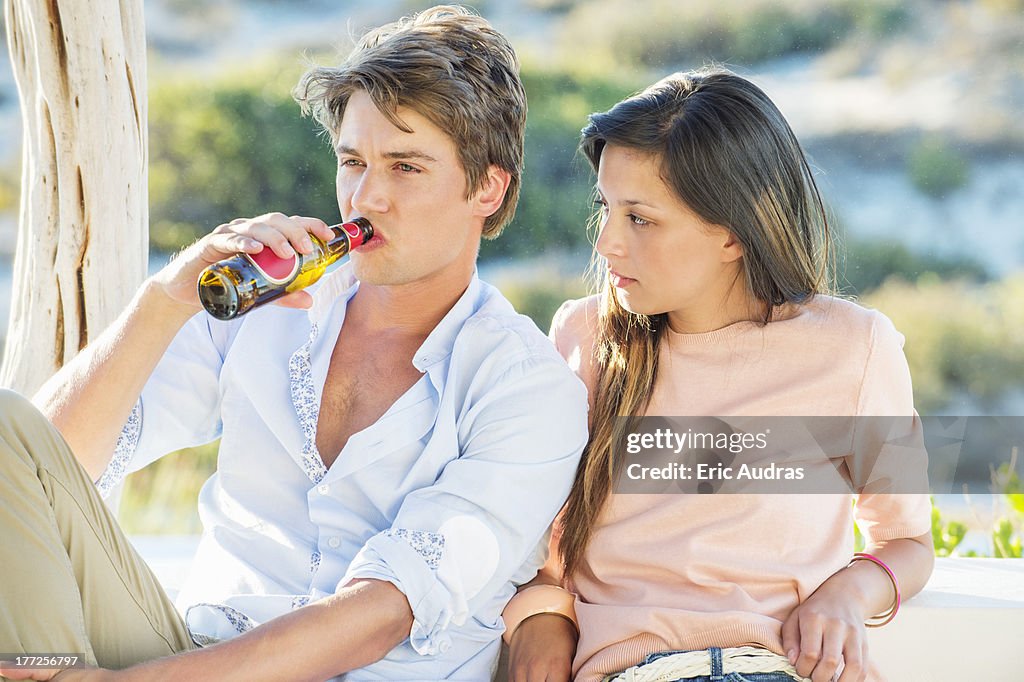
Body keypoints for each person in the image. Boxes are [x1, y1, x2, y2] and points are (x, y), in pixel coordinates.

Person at [0, 5, 588, 681]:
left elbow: (385, 611)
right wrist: (164, 300)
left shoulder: (528, 392)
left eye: (406, 168)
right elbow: (41, 476)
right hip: (190, 652)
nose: (367, 197)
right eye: (352, 162)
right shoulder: (267, 308)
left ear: (487, 186)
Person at [502, 68, 934, 682]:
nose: (606, 243)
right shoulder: (584, 339)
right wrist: (542, 617)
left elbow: (908, 544)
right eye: (607, 208)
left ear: (732, 232)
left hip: (776, 667)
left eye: (640, 218)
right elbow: (538, 546)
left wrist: (849, 593)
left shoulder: (855, 348)